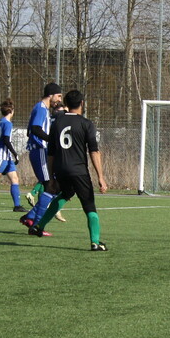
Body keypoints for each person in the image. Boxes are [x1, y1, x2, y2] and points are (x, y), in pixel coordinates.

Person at [29, 89, 109, 251]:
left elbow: (51, 153)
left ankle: (39, 226)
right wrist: (101, 177)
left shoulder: (57, 122)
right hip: (78, 171)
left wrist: (51, 177)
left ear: (66, 103)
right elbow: (94, 152)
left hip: (60, 169)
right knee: (89, 205)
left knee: (66, 193)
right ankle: (95, 242)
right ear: (82, 103)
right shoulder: (86, 124)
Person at [20, 83, 65, 228]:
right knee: (50, 187)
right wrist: (51, 140)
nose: (59, 99)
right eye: (58, 96)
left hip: (40, 150)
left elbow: (30, 131)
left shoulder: (43, 109)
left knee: (53, 187)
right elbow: (35, 129)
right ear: (50, 95)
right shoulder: (40, 108)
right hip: (39, 151)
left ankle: (30, 218)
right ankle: (34, 223)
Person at [0, 99, 25, 212]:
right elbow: (7, 140)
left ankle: (17, 206)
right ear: (11, 111)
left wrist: (0, 146)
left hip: (6, 156)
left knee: (14, 178)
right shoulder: (7, 123)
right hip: (3, 156)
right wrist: (15, 153)